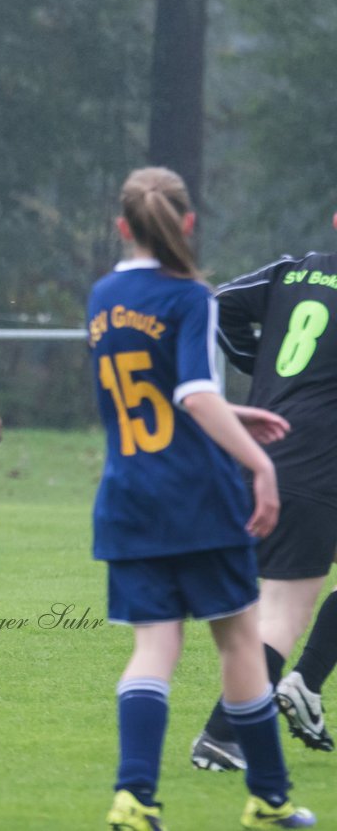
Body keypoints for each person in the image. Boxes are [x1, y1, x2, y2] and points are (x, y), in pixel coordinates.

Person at [88, 167, 313, 829]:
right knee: (240, 641)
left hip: (127, 498)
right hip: (196, 498)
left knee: (154, 648)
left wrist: (228, 416)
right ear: (187, 224)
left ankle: (133, 799)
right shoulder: (189, 295)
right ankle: (270, 801)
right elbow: (191, 392)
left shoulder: (101, 296)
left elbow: (151, 394)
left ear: (123, 228)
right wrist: (258, 464)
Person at [191, 212, 337, 768]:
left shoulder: (292, 272)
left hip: (268, 444)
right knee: (281, 611)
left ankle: (306, 681)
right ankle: (221, 737)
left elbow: (218, 304)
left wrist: (268, 373)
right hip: (316, 459)